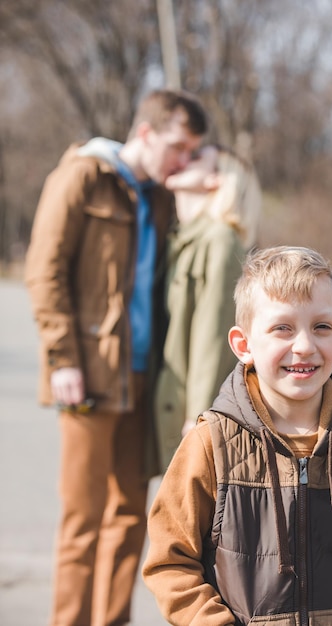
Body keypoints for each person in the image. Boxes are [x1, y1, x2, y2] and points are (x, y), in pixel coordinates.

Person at [142, 245, 332, 626]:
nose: (304, 346)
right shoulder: (210, 444)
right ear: (244, 345)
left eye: (320, 327)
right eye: (282, 328)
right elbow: (170, 562)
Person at [25, 89, 208, 626]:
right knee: (83, 517)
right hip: (87, 376)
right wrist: (63, 359)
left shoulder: (160, 196)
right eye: (178, 146)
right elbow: (45, 271)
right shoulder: (83, 176)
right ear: (146, 133)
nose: (183, 160)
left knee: (130, 513)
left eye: (192, 151)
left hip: (144, 379)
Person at [154, 144, 262, 471]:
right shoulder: (183, 237)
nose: (183, 158)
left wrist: (199, 417)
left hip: (191, 416)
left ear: (216, 179)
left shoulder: (219, 240)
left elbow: (213, 338)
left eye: (196, 156)